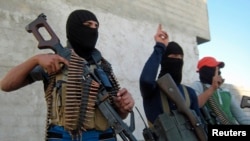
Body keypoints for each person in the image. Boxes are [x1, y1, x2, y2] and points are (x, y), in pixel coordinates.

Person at [0, 9, 135, 141]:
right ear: (74, 28)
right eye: (88, 25)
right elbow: (5, 85)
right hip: (63, 136)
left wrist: (124, 107)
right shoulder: (55, 62)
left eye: (96, 26)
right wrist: (36, 59)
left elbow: (116, 115)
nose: (93, 30)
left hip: (103, 136)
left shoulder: (103, 66)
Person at [139, 24, 204, 140]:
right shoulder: (152, 90)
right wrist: (160, 47)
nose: (178, 60)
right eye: (173, 56)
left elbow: (199, 125)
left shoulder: (190, 93)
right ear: (164, 60)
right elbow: (146, 80)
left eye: (180, 58)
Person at [191, 56, 250, 125]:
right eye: (215, 69)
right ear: (205, 71)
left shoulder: (225, 92)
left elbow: (242, 117)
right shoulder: (198, 85)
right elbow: (194, 105)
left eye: (218, 69)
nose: (218, 72)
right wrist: (212, 88)